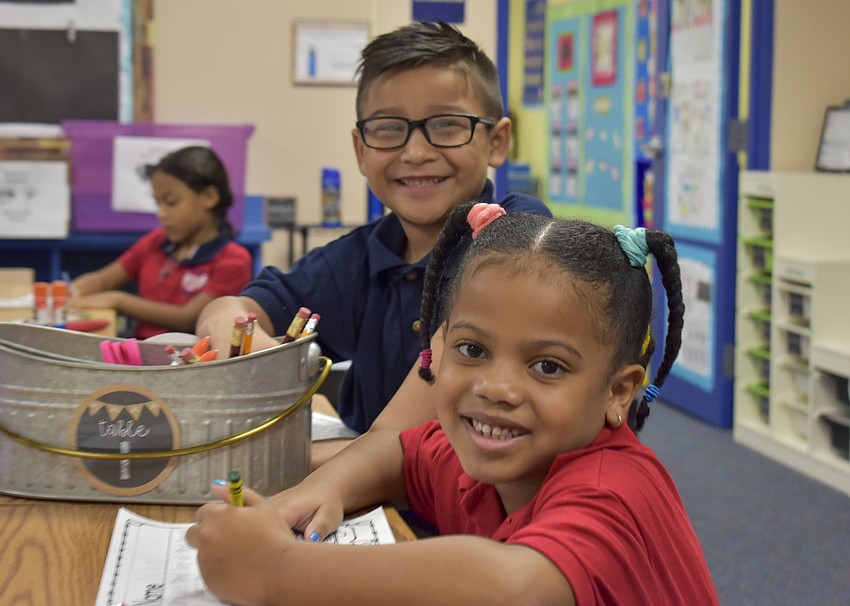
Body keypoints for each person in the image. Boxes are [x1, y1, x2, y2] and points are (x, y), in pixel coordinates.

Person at [186, 202, 719, 605]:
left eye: (547, 366)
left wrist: (276, 568)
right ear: (436, 350)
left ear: (618, 392)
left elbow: (513, 586)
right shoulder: (488, 458)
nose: (496, 388)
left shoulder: (613, 492)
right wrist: (320, 490)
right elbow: (403, 453)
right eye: (473, 350)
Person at [195, 21, 551, 445]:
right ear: (361, 150)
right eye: (387, 128)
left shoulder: (516, 237)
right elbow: (234, 308)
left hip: (489, 503)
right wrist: (231, 326)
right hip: (376, 505)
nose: (416, 152)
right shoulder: (359, 257)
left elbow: (405, 438)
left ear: (496, 141)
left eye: (447, 124)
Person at [68, 146, 253, 339]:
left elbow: (187, 318)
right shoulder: (156, 242)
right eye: (158, 203)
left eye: (171, 202)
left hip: (191, 361)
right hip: (142, 353)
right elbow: (104, 279)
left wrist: (118, 300)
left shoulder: (234, 260)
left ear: (209, 197)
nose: (161, 214)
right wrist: (73, 291)